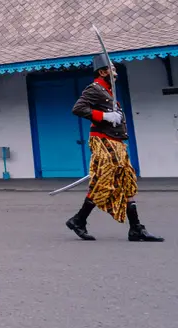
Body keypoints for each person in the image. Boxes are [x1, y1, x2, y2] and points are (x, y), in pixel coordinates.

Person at [66, 55, 163, 242]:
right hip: (103, 141)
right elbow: (78, 108)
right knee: (104, 180)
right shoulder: (94, 89)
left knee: (127, 180)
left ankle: (135, 228)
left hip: (117, 142)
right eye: (112, 69)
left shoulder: (109, 92)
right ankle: (79, 219)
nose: (115, 72)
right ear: (103, 72)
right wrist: (104, 116)